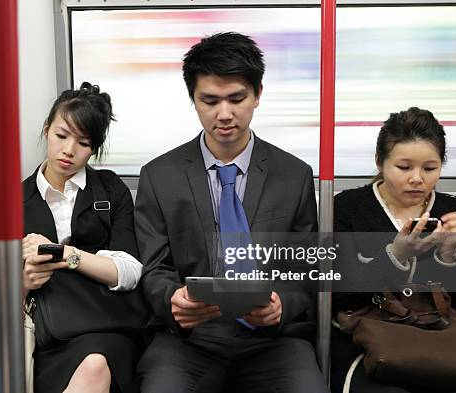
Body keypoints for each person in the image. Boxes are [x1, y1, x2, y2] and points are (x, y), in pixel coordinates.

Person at [134, 32, 329, 393]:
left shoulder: (294, 175)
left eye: (236, 98)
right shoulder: (159, 176)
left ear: (257, 95)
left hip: (274, 341)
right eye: (209, 100)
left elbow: (305, 267)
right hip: (189, 340)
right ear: (193, 99)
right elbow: (153, 267)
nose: (224, 114)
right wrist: (172, 299)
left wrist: (282, 305)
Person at [21, 82, 145, 393]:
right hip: (42, 334)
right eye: (61, 136)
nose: (69, 151)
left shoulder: (110, 190)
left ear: (95, 147)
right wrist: (24, 282)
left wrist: (65, 256)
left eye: (84, 143)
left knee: (95, 363)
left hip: (106, 325)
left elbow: (129, 272)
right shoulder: (14, 200)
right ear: (47, 129)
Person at [331, 107, 456, 393]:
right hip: (368, 341)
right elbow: (336, 293)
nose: (417, 179)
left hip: (444, 341)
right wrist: (396, 255)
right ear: (380, 161)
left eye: (430, 168)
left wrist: (451, 255)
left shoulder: (454, 212)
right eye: (404, 168)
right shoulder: (347, 208)